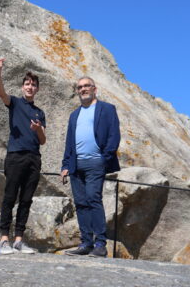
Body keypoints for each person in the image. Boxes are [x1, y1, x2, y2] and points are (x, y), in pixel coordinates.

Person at [61, 77, 120, 257]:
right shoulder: (74, 115)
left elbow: (114, 135)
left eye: (86, 86)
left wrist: (105, 158)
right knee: (80, 203)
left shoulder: (107, 109)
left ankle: (100, 244)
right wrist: (65, 165)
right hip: (76, 165)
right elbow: (69, 143)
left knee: (93, 199)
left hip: (96, 162)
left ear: (94, 88)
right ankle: (86, 243)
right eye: (80, 87)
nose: (83, 89)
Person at [0, 58, 46, 255]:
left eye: (33, 85)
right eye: (27, 84)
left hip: (34, 157)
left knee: (26, 199)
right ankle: (4, 240)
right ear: (22, 87)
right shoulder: (15, 103)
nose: (30, 87)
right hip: (15, 155)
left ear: (37, 89)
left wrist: (37, 129)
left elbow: (42, 140)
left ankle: (19, 240)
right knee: (10, 197)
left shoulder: (40, 112)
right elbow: (1, 93)